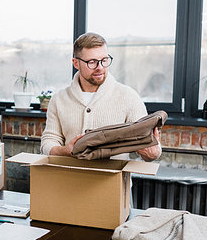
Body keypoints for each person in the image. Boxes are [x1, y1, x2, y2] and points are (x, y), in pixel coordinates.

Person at [40, 32, 161, 162]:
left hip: (113, 181)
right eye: (92, 62)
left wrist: (153, 152)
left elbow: (151, 148)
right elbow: (48, 141)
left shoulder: (129, 97)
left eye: (104, 60)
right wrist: (64, 151)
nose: (100, 67)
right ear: (76, 63)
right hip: (70, 179)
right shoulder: (59, 99)